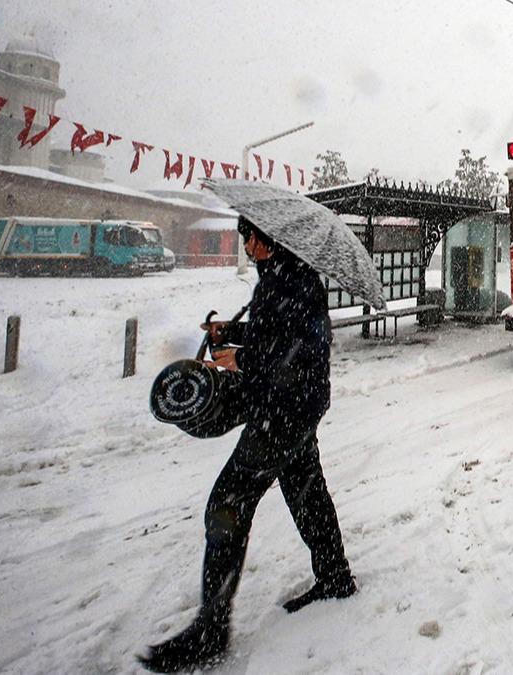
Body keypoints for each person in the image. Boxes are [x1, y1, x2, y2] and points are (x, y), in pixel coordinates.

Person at [140, 218, 356, 672]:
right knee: (306, 491)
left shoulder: (295, 283)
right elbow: (272, 336)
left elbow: (297, 350)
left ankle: (211, 631)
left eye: (249, 237)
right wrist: (230, 335)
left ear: (268, 240)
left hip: (284, 411)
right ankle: (334, 576)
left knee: (228, 501)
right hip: (289, 407)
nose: (246, 244)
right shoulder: (279, 278)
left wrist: (241, 358)